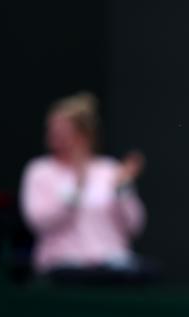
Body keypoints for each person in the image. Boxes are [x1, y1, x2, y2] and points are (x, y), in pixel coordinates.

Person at [19, 91, 148, 281]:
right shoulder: (40, 171)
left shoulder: (109, 170)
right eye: (53, 128)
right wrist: (77, 187)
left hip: (112, 267)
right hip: (62, 267)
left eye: (63, 130)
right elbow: (40, 222)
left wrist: (122, 189)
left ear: (83, 134)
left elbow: (134, 226)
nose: (54, 135)